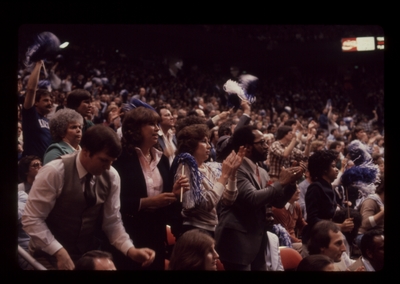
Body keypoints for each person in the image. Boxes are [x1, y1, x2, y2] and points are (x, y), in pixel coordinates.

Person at [22, 125, 155, 270]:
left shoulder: (112, 176)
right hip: (47, 254)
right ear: (86, 152)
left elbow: (112, 222)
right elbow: (32, 219)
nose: (108, 167)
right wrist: (58, 251)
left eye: (112, 161)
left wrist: (130, 250)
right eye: (104, 160)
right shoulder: (54, 171)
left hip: (86, 255)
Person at [215, 125, 305, 271]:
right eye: (262, 142)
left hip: (256, 240)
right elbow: (252, 199)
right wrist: (280, 182)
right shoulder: (236, 167)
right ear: (248, 147)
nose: (267, 146)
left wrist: (291, 181)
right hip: (237, 241)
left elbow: (277, 202)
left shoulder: (261, 171)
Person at [112, 107, 189, 270]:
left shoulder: (161, 159)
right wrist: (147, 202)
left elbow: (164, 197)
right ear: (134, 129)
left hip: (156, 232)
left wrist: (173, 193)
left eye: (157, 124)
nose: (156, 128)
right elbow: (113, 203)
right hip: (128, 232)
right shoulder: (120, 159)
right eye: (150, 124)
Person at [172, 123, 244, 238]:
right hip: (194, 231)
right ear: (191, 144)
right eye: (204, 141)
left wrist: (232, 174)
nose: (209, 146)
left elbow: (228, 200)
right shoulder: (185, 167)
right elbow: (206, 203)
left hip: (210, 230)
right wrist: (224, 176)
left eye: (208, 141)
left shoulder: (209, 168)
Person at [302, 150, 355, 248]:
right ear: (324, 170)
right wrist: (340, 226)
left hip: (327, 237)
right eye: (333, 166)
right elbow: (312, 220)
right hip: (316, 242)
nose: (336, 169)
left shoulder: (328, 186)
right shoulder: (315, 188)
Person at [21, 60, 53, 159]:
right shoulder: (30, 114)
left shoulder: (48, 121)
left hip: (45, 165)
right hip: (31, 165)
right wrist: (38, 64)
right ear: (36, 102)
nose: (50, 103)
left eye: (51, 101)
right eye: (46, 100)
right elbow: (31, 89)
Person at [272, 185, 307, 253]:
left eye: (298, 189)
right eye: (295, 189)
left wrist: (314, 232)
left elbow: (301, 224)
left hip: (294, 241)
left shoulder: (296, 206)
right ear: (287, 192)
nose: (299, 191)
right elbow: (285, 234)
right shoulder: (278, 209)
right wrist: (300, 241)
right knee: (307, 248)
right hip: (284, 243)